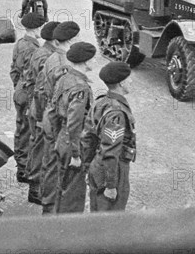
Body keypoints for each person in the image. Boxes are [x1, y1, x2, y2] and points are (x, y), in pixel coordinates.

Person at [39, 21, 81, 214]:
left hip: (50, 115)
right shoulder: (63, 64)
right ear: (71, 40)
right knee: (55, 166)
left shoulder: (53, 58)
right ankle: (50, 207)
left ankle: (47, 204)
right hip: (57, 120)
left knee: (49, 163)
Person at [83, 62, 136, 212]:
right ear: (121, 83)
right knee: (111, 219)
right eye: (129, 79)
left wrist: (88, 167)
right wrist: (111, 185)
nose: (131, 82)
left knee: (97, 212)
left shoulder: (101, 101)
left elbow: (87, 137)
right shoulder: (116, 113)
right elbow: (111, 151)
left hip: (97, 165)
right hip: (113, 170)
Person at [51, 42, 96, 214]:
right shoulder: (80, 87)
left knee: (63, 185)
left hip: (63, 137)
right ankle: (68, 232)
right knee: (73, 192)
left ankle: (59, 221)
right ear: (86, 62)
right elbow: (75, 122)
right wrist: (76, 154)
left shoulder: (65, 77)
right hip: (73, 141)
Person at [25, 21, 60, 204]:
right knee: (40, 150)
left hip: (38, 108)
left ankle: (36, 185)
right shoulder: (46, 57)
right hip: (40, 109)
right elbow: (41, 90)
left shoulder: (43, 52)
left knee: (37, 147)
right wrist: (41, 117)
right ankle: (35, 189)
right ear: (55, 41)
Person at [11, 12, 46, 183]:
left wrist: (19, 87)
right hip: (28, 94)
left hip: (20, 90)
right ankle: (24, 168)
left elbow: (14, 70)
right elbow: (35, 77)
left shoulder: (20, 43)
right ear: (36, 28)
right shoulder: (34, 49)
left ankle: (21, 165)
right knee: (27, 131)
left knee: (21, 129)